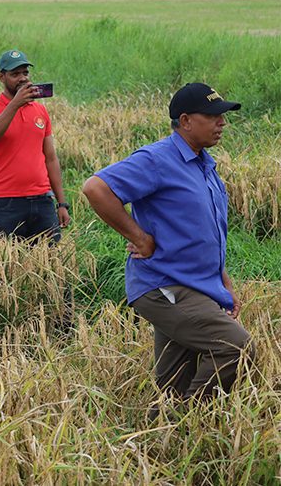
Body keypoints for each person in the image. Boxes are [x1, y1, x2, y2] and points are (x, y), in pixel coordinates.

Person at [82, 82, 254, 408]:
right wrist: (139, 238)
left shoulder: (205, 165)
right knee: (235, 347)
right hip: (164, 285)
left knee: (174, 384)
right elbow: (96, 188)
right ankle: (192, 422)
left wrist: (224, 282)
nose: (222, 123)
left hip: (194, 284)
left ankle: (167, 434)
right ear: (186, 121)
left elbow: (206, 233)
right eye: (213, 116)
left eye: (223, 116)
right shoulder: (157, 159)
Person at [0, 48, 70, 243]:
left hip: (43, 200)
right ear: (1, 77)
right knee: (7, 266)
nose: (22, 78)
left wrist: (62, 203)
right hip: (6, 203)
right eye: (15, 74)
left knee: (49, 262)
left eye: (25, 73)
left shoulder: (40, 111)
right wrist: (15, 104)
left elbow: (50, 158)